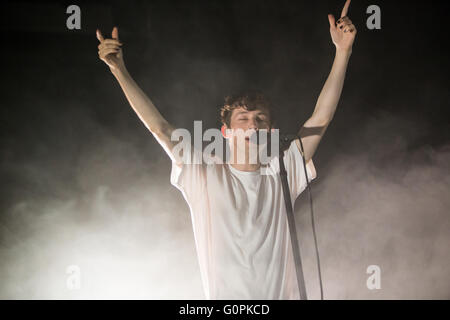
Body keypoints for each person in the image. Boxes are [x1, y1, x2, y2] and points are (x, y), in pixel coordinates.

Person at [96, 0, 356, 300]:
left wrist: (343, 52)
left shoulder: (283, 171)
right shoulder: (204, 173)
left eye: (260, 119)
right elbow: (161, 129)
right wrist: (119, 70)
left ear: (270, 132)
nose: (252, 126)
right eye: (243, 119)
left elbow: (321, 118)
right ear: (226, 132)